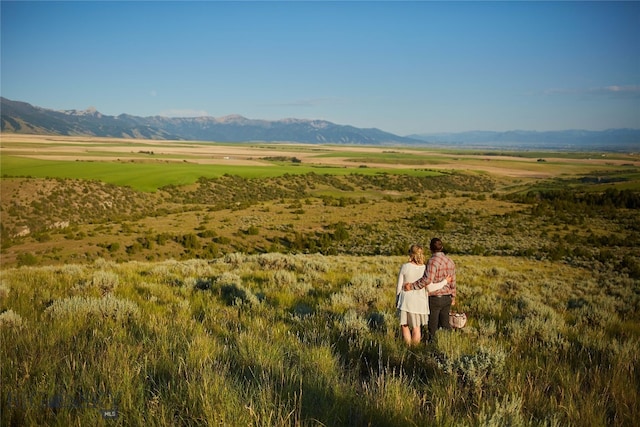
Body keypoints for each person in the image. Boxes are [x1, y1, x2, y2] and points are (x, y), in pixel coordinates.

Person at [396, 244, 452, 345]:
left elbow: (399, 287)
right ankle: (415, 348)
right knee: (417, 327)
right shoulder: (425, 268)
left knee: (404, 325)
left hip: (406, 300)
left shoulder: (405, 267)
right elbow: (430, 287)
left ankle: (408, 348)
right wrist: (445, 282)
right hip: (420, 301)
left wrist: (397, 300)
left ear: (411, 254)